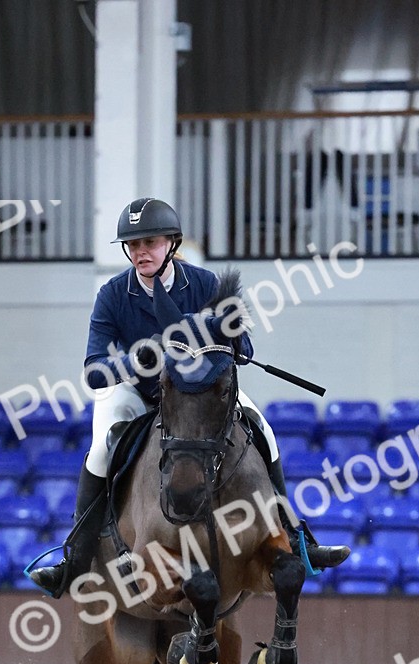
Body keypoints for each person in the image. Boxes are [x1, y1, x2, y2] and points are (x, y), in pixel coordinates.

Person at [30, 197, 348, 597]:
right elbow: (94, 369)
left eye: (150, 242)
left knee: (262, 430)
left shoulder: (202, 284)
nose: (140, 252)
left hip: (196, 395)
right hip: (135, 393)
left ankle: (298, 539)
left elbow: (242, 346)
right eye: (133, 244)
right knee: (99, 451)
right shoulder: (113, 294)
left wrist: (226, 331)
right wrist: (134, 360)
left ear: (172, 244)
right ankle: (74, 558)